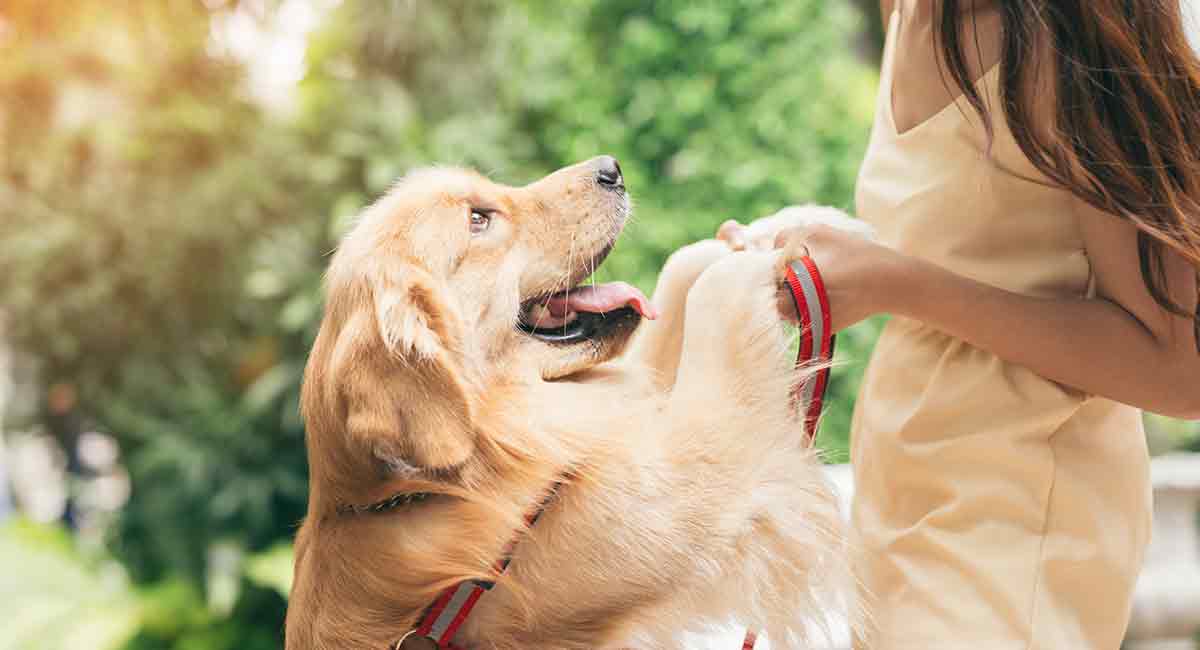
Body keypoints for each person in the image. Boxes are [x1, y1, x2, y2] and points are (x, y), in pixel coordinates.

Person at [719, 1, 1200, 647]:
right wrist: (819, 253)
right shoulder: (909, 8)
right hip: (899, 486)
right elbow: (971, 237)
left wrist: (892, 282)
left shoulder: (1070, 28)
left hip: (1016, 519)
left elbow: (1179, 373)